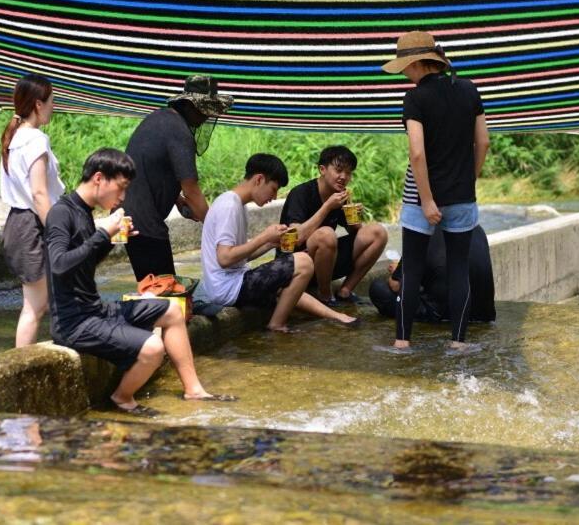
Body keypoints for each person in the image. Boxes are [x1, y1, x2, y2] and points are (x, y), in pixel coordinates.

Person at [46, 148, 234, 416]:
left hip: (95, 309)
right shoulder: (61, 214)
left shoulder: (84, 212)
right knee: (153, 348)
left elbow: (83, 263)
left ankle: (194, 390)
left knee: (172, 309)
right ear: (99, 178)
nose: (122, 197)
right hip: (74, 322)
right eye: (121, 188)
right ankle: (122, 398)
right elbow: (59, 265)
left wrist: (110, 241)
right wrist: (102, 235)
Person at [379, 31, 490, 354]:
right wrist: (468, 179)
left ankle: (402, 341)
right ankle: (458, 342)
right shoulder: (469, 89)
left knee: (411, 269)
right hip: (462, 196)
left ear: (417, 64)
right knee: (459, 269)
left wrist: (427, 199)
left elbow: (417, 154)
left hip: (419, 197)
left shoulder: (415, 98)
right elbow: (482, 141)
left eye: (405, 67)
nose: (404, 73)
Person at [200, 153, 359, 332]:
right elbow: (225, 258)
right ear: (259, 179)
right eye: (273, 189)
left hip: (232, 281)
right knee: (304, 262)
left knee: (289, 282)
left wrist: (270, 244)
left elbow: (239, 257)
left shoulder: (237, 204)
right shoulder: (229, 205)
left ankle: (337, 316)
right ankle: (276, 324)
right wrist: (264, 237)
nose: (274, 197)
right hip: (226, 289)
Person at [123, 74, 234, 281]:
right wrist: (215, 229)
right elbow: (191, 189)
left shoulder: (160, 119)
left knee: (155, 286)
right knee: (164, 292)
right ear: (190, 106)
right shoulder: (180, 132)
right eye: (204, 110)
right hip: (144, 223)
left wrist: (176, 199)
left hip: (129, 217)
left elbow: (154, 165)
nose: (206, 117)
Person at [0, 73, 64, 347]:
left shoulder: (15, 138)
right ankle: (21, 368)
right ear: (38, 104)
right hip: (31, 226)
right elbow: (39, 193)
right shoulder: (35, 139)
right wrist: (58, 230)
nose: (53, 106)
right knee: (35, 307)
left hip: (17, 223)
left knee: (40, 303)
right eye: (51, 101)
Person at [279, 145, 388, 306]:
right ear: (322, 169)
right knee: (326, 234)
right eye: (338, 170)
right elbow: (296, 237)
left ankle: (345, 291)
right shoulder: (301, 193)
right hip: (296, 265)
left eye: (349, 172)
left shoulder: (341, 196)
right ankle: (325, 295)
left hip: (326, 262)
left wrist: (355, 217)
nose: (343, 176)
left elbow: (358, 235)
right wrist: (327, 207)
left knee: (378, 232)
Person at [368, 226, 496, 324]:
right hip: (483, 313)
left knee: (378, 288)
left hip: (443, 315)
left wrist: (397, 270)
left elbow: (396, 285)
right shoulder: (477, 228)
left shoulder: (422, 233)